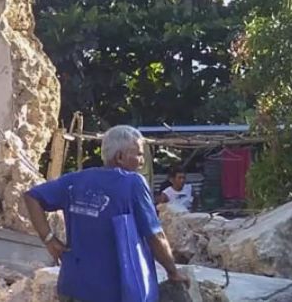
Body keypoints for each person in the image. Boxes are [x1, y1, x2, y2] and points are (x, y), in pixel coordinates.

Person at [24, 125, 189, 302]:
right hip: (115, 290)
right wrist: (173, 272)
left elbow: (32, 196)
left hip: (72, 286)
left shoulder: (75, 180)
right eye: (139, 154)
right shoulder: (132, 183)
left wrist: (49, 239)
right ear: (120, 157)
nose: (142, 161)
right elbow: (155, 235)